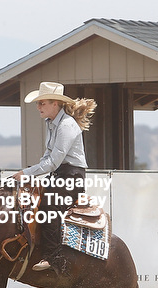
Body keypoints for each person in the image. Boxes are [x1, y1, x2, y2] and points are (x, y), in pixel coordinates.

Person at [13, 82, 96, 275]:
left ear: (55, 104)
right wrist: (30, 172)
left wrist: (26, 173)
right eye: (38, 103)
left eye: (42, 103)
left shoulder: (66, 125)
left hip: (71, 177)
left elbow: (53, 162)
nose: (38, 107)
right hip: (61, 175)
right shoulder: (52, 123)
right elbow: (47, 156)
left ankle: (53, 258)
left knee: (49, 206)